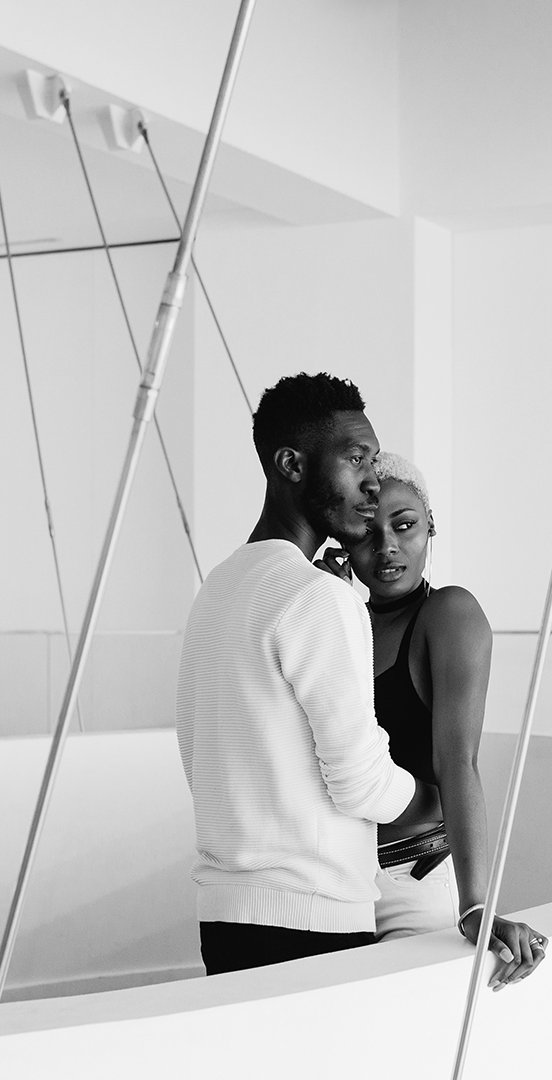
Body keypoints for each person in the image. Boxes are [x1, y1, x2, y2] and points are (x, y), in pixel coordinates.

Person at [176, 372, 434, 976]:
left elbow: (195, 754)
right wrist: (430, 800)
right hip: (310, 920)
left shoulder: (215, 589)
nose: (372, 482)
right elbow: (361, 781)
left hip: (223, 919)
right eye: (354, 459)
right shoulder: (316, 596)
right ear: (290, 464)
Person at [328, 452, 548, 990]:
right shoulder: (336, 617)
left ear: (431, 526)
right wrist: (324, 598)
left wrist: (477, 906)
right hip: (332, 879)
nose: (387, 548)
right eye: (365, 533)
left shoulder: (448, 614)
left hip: (412, 879)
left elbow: (459, 762)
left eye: (404, 526)